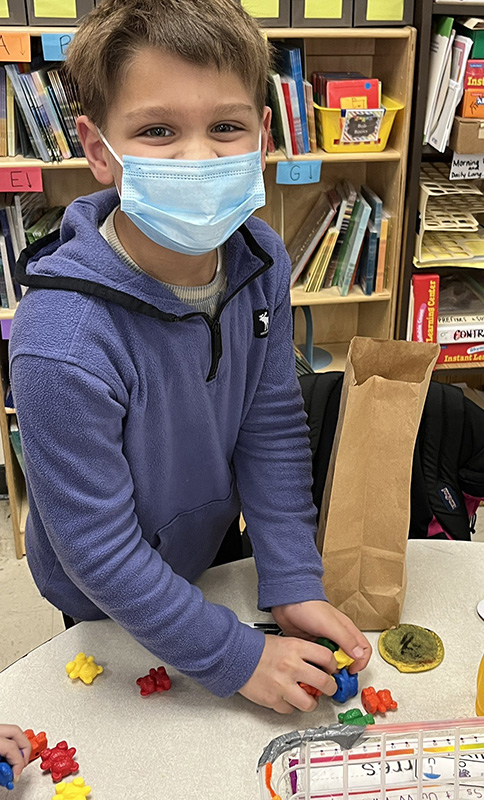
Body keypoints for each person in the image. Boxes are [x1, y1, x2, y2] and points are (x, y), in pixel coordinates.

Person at [10, 0, 371, 715]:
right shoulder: (62, 343)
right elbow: (101, 553)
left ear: (264, 135)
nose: (198, 158)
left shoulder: (260, 257)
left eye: (226, 126)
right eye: (158, 130)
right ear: (98, 147)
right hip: (102, 595)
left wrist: (293, 575)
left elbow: (268, 423)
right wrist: (236, 658)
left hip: (210, 546)